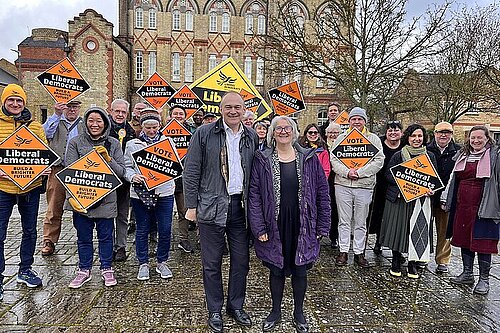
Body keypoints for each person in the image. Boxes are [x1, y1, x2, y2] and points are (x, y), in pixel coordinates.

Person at [183, 92, 259, 333]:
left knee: (241, 262)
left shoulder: (252, 136)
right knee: (211, 263)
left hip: (241, 208)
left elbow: (257, 173)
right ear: (220, 108)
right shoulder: (204, 134)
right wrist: (191, 207)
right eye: (228, 107)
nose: (233, 111)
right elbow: (191, 171)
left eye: (238, 107)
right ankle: (214, 309)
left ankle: (235, 306)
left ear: (245, 109)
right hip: (211, 206)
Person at [248, 116, 330, 333]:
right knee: (276, 269)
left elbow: (322, 192)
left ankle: (299, 312)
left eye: (287, 128)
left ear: (294, 133)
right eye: (278, 128)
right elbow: (254, 195)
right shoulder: (262, 158)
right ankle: (275, 311)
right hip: (274, 222)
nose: (283, 131)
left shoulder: (309, 158)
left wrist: (322, 225)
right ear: (272, 133)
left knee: (300, 270)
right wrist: (259, 227)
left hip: (303, 222)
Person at [65, 107, 125, 288]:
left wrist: (109, 160)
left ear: (105, 123)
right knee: (83, 237)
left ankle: (107, 267)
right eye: (91, 120)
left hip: (106, 200)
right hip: (82, 199)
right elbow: (69, 171)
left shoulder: (113, 143)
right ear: (86, 122)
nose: (95, 124)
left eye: (99, 121)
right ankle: (84, 270)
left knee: (106, 236)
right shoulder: (75, 142)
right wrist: (71, 198)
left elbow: (121, 172)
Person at [0, 84, 49, 298]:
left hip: (30, 187)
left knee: (30, 231)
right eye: (11, 100)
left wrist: (45, 168)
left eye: (19, 100)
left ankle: (25, 269)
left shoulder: (35, 126)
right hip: (3, 188)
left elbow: (43, 153)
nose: (15, 104)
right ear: (4, 101)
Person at [442, 125, 500, 295]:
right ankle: (467, 273)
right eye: (473, 137)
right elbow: (453, 179)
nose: (476, 141)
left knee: (483, 242)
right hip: (463, 206)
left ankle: (484, 279)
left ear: (487, 138)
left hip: (485, 206)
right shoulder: (462, 155)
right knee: (464, 239)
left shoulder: (495, 156)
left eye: (479, 138)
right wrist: (446, 199)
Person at [379, 124, 437, 279]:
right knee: (398, 230)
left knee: (416, 231)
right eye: (413, 136)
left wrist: (432, 189)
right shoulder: (399, 155)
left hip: (420, 201)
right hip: (400, 200)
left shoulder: (429, 156)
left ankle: (412, 263)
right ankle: (396, 261)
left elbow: (434, 179)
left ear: (424, 138)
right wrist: (405, 183)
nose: (417, 139)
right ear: (408, 138)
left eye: (419, 136)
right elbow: (388, 175)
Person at [124, 109, 175, 280]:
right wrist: (132, 176)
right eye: (148, 128)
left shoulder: (167, 142)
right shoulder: (132, 144)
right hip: (140, 193)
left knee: (165, 228)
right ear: (142, 127)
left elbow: (174, 165)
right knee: (142, 228)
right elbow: (126, 167)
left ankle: (162, 261)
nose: (152, 131)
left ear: (160, 125)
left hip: (164, 192)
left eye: (155, 127)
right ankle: (143, 263)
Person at [330, 107, 384, 267]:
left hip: (364, 186)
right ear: (349, 121)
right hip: (343, 184)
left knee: (361, 221)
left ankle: (360, 252)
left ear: (364, 121)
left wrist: (360, 173)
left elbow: (379, 160)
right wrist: (347, 172)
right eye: (353, 119)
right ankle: (343, 250)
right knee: (344, 220)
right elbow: (334, 159)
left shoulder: (373, 139)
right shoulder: (341, 138)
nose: (356, 122)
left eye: (359, 119)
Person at [41, 100, 85, 256]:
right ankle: (49, 240)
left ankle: (83, 239)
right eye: (69, 106)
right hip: (58, 169)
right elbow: (44, 133)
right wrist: (57, 114)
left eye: (75, 107)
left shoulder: (83, 124)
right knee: (54, 207)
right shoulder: (55, 121)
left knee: (80, 207)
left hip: (78, 171)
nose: (72, 109)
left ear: (79, 108)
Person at [426, 121, 461, 274]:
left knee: (445, 231)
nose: (443, 135)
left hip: (446, 198)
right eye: (440, 132)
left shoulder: (459, 151)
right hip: (427, 197)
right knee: (423, 228)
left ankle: (442, 261)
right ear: (435, 133)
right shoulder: (426, 150)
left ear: (452, 134)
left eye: (447, 132)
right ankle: (422, 257)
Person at [369, 120, 403, 254]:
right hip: (380, 184)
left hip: (397, 186)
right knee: (378, 213)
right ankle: (378, 240)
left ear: (401, 132)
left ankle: (395, 245)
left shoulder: (405, 146)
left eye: (396, 130)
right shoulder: (379, 144)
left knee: (393, 216)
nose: (393, 133)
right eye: (390, 130)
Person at [108, 99, 135, 261]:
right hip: (106, 179)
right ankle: (108, 245)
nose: (120, 114)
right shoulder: (103, 128)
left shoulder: (130, 131)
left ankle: (121, 247)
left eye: (123, 112)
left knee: (122, 215)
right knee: (107, 215)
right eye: (117, 111)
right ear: (111, 111)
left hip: (123, 180)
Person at [169, 105, 196, 253]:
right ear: (170, 115)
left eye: (181, 114)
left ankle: (183, 239)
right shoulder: (162, 131)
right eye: (175, 113)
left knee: (183, 210)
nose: (178, 116)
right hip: (166, 177)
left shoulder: (191, 132)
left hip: (183, 177)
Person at [325, 122, 341, 248]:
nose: (333, 135)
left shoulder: (343, 145)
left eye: (335, 132)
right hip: (325, 181)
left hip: (338, 181)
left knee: (335, 210)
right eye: (330, 132)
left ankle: (334, 236)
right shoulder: (323, 146)